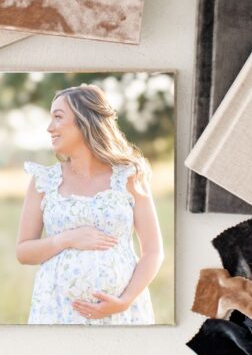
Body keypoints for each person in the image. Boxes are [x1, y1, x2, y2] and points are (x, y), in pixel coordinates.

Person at [16, 84, 164, 324]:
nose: (49, 127)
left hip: (123, 314)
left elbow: (153, 252)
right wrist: (66, 239)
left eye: (58, 117)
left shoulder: (129, 176)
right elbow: (23, 252)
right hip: (57, 311)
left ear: (84, 121)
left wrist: (124, 301)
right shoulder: (44, 181)